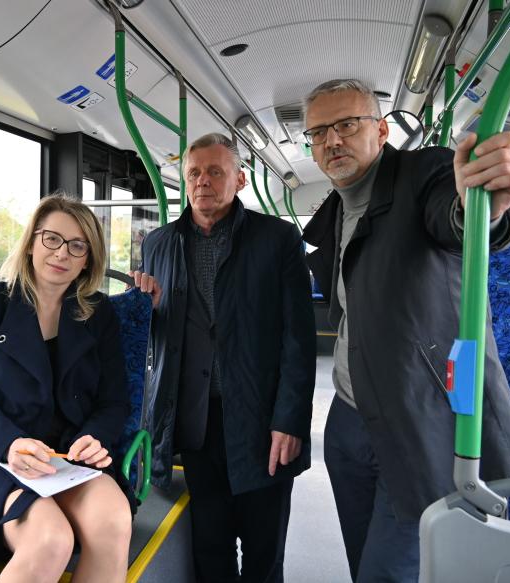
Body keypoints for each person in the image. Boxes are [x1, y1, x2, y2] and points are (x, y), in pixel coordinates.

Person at [300, 78, 510, 582]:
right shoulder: (335, 208)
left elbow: (456, 219)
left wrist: (485, 204)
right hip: (348, 415)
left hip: (419, 417)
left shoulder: (422, 172)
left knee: (389, 570)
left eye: (345, 125)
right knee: (362, 556)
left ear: (381, 131)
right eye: (318, 133)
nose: (331, 141)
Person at [132, 132, 316, 582]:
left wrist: (290, 420)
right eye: (194, 173)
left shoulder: (277, 239)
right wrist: (145, 310)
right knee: (209, 549)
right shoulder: (158, 244)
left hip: (260, 419)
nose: (203, 182)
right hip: (196, 421)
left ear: (240, 179)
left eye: (216, 171)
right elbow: (154, 339)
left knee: (263, 551)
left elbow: (299, 338)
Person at [0, 194, 134, 583]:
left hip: (64, 452)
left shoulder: (99, 313)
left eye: (77, 245)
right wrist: (10, 443)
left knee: (113, 520)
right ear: (31, 242)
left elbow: (114, 402)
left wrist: (95, 437)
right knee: (49, 539)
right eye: (52, 239)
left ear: (87, 259)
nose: (62, 253)